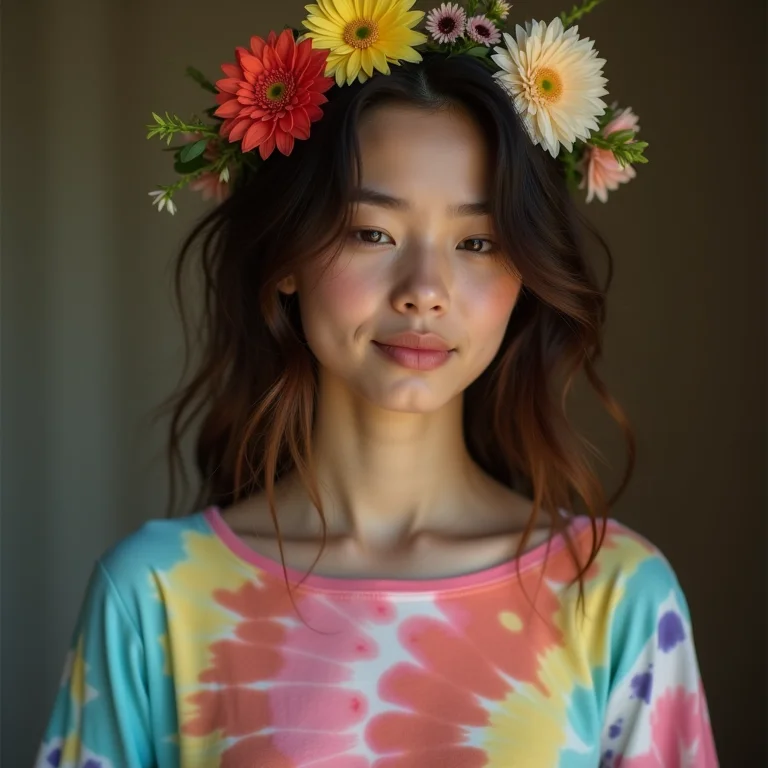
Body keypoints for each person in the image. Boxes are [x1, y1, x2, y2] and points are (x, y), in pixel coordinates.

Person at [35, 2, 718, 766]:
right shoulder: (156, 596)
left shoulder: (617, 596)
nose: (424, 290)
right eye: (372, 232)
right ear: (287, 259)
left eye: (477, 242)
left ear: (524, 275)